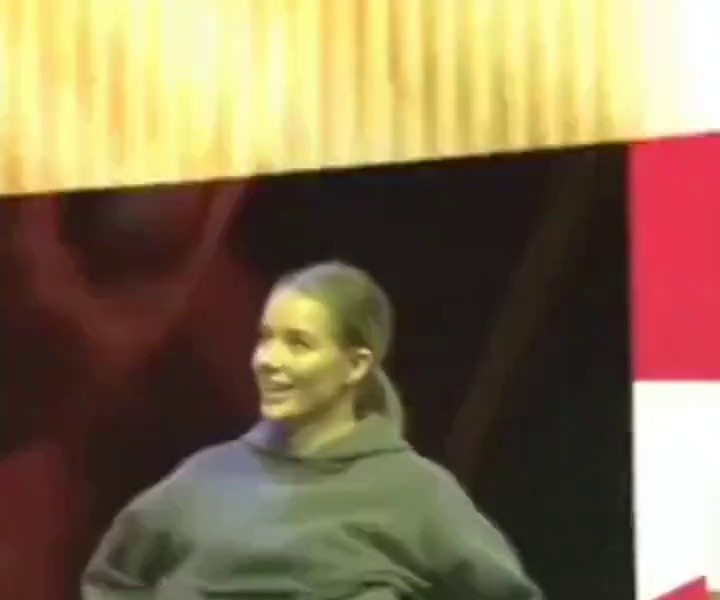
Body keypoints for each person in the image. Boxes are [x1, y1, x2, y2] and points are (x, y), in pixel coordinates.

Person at [81, 260, 544, 600]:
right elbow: (112, 580)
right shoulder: (204, 479)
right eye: (265, 338)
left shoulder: (413, 494)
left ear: (356, 365)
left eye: (298, 344)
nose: (269, 360)